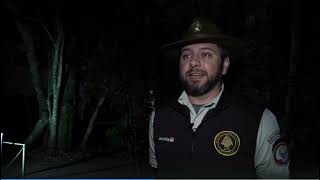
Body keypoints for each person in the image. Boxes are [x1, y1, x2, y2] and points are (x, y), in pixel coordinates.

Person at [148, 17, 290, 178]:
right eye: (186, 55)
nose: (194, 62)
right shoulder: (159, 117)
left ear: (225, 65)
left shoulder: (258, 119)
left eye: (206, 54)